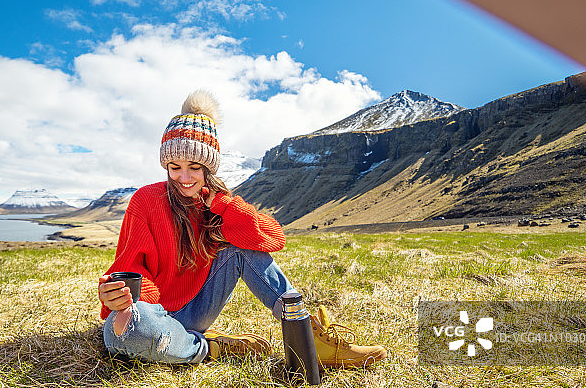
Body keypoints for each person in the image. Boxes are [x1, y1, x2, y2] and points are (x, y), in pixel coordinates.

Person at [98, 90, 387, 366]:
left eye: (195, 167)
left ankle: (306, 335)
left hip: (195, 309)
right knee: (124, 333)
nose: (184, 177)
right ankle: (211, 347)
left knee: (240, 247)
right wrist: (120, 296)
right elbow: (130, 269)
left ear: (209, 167)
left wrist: (224, 206)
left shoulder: (218, 204)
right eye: (175, 166)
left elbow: (272, 238)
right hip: (152, 311)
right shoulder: (146, 200)